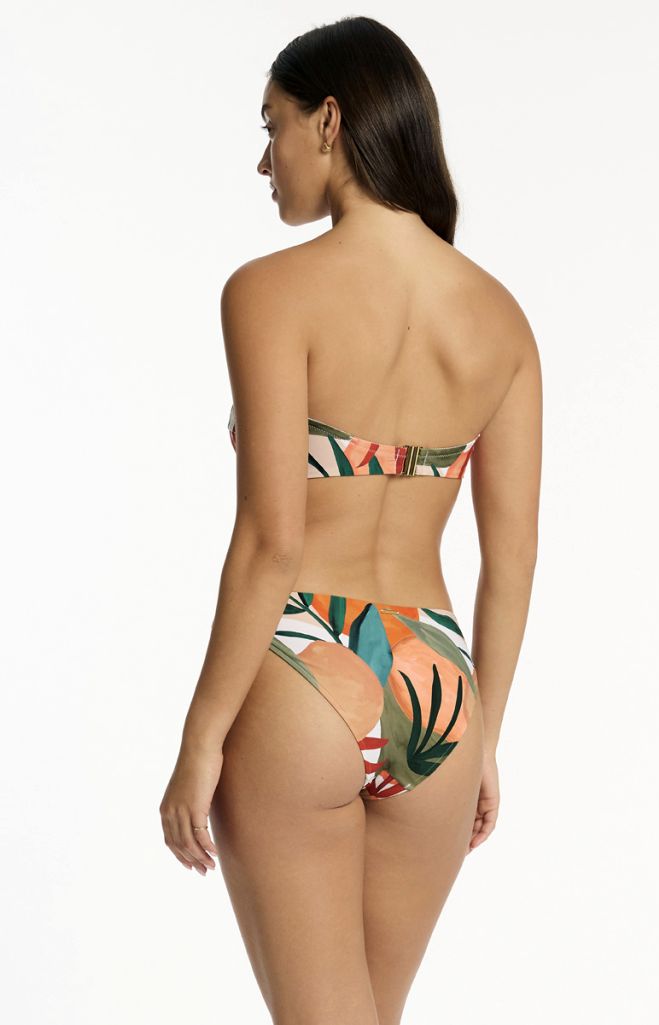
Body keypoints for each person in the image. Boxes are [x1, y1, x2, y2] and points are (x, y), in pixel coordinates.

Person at [159, 14, 541, 1025]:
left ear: (328, 121)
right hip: (435, 684)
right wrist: (483, 740)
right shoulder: (499, 318)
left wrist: (200, 737)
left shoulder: (269, 292)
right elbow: (510, 559)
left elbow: (271, 540)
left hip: (302, 669)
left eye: (272, 126)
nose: (263, 160)